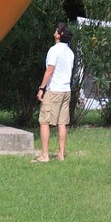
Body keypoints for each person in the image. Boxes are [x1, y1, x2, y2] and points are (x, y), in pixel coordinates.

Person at [34, 22, 74, 162]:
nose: (55, 31)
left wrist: (41, 88)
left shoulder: (54, 50)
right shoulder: (70, 52)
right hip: (66, 90)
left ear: (59, 35)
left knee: (44, 121)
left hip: (54, 90)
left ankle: (44, 155)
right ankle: (61, 154)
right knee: (62, 123)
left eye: (57, 30)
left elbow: (49, 70)